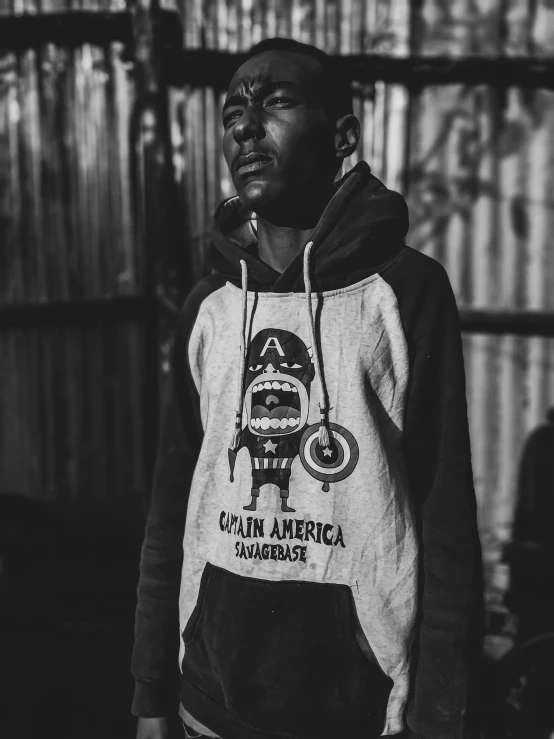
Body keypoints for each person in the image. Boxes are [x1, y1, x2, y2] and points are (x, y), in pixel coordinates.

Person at [131, 37, 483, 739]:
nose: (246, 125)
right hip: (212, 701)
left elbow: (445, 512)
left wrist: (443, 710)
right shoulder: (209, 308)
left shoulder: (403, 293)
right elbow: (173, 505)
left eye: (277, 102)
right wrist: (150, 693)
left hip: (354, 708)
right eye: (233, 109)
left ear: (342, 137)